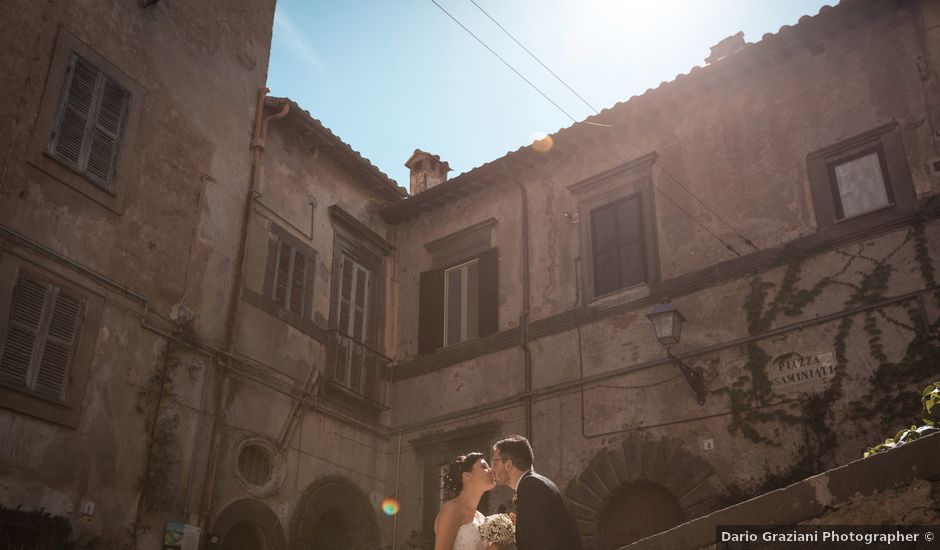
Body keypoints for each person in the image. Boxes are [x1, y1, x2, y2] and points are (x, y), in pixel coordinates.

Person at [491, 435, 583, 550]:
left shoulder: (530, 488)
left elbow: (541, 544)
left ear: (508, 464)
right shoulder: (537, 483)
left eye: (494, 463)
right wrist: (520, 528)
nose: (492, 469)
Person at [434, 452, 499, 550]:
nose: (491, 470)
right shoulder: (451, 509)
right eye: (484, 466)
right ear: (467, 476)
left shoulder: (481, 517)